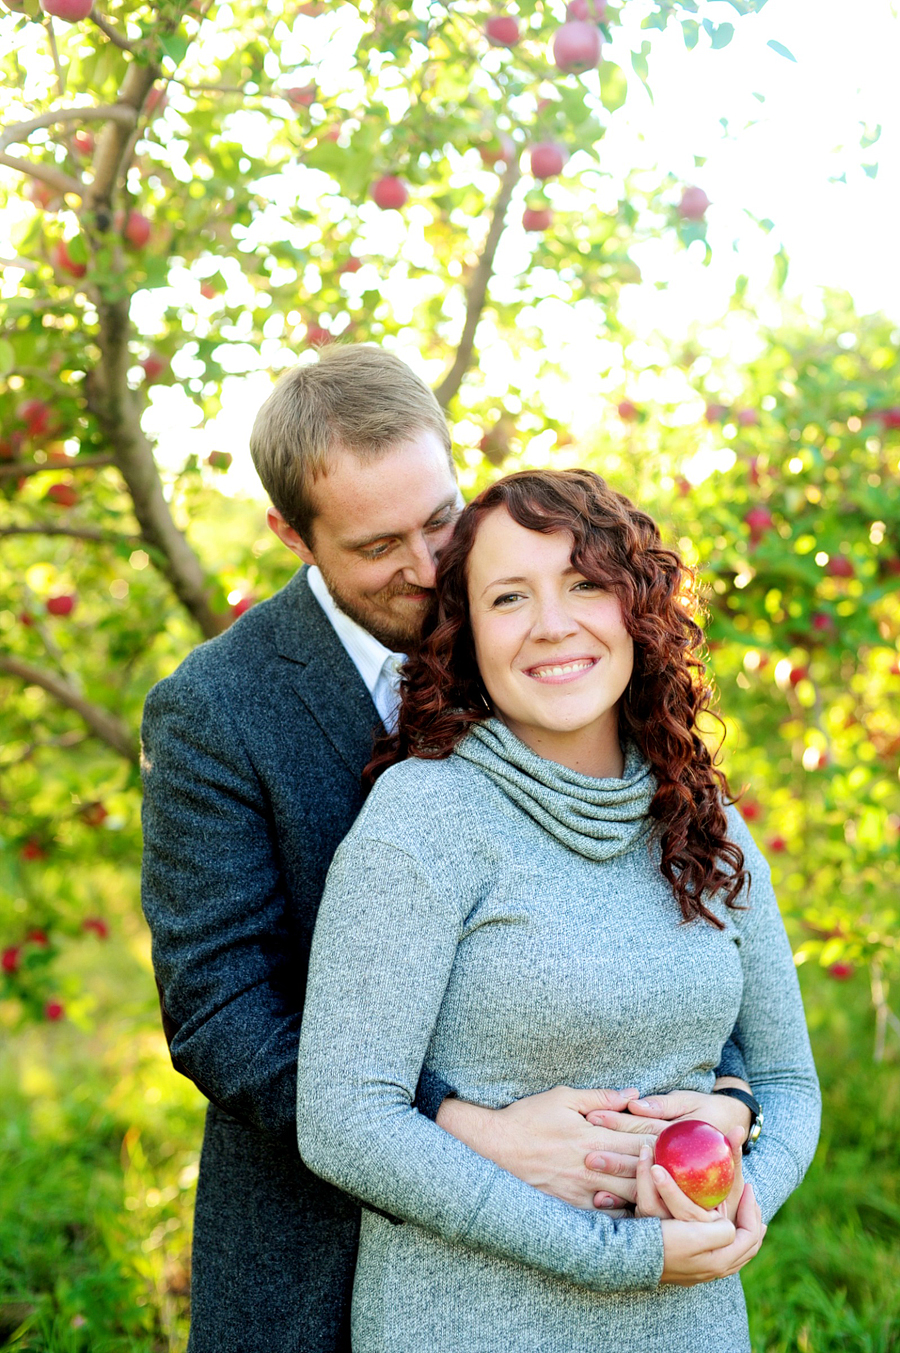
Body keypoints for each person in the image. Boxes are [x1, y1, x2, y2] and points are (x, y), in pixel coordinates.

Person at [141, 347, 757, 1353]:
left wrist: (726, 1093)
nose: (429, 568)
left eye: (440, 519)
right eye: (380, 543)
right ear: (291, 533)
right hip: (321, 1246)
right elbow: (218, 1009)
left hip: (590, 1245)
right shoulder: (218, 710)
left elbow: (654, 894)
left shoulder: (534, 641)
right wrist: (457, 1126)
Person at [296, 468, 821, 1353]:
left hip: (690, 1322)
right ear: (467, 635)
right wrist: (618, 1253)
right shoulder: (426, 816)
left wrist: (742, 1194)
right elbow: (344, 1119)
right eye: (509, 597)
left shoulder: (705, 822)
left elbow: (789, 1084)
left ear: (636, 607)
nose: (552, 623)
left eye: (584, 582)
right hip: (469, 1323)